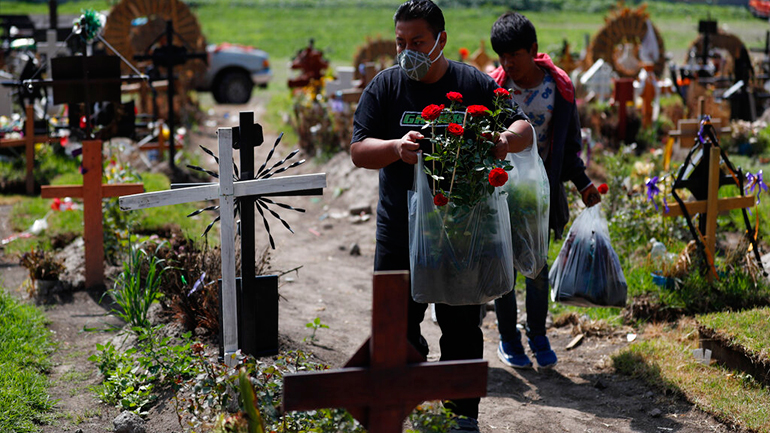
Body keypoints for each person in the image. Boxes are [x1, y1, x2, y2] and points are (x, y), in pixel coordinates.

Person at [350, 1, 532, 431]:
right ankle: (405, 410)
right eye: (400, 42)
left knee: (462, 328)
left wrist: (504, 139)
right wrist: (395, 148)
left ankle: (462, 418)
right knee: (397, 332)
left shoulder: (473, 84)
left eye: (417, 42)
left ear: (441, 41)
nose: (407, 51)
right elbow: (359, 150)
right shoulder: (385, 87)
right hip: (399, 233)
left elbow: (523, 127)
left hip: (463, 235)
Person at [488, 12, 601, 370]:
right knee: (505, 268)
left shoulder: (559, 89)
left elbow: (568, 149)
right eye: (502, 57)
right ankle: (509, 338)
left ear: (533, 50)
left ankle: (538, 333)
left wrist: (583, 184)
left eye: (514, 56)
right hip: (500, 193)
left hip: (540, 196)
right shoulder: (493, 88)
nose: (507, 64)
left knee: (536, 268)